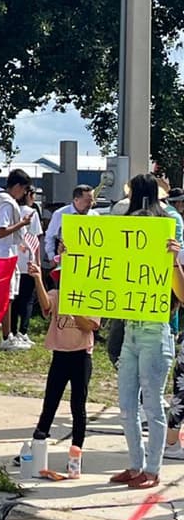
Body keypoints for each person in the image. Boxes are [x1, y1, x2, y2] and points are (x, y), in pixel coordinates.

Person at [108, 174, 181, 490]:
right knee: (126, 405)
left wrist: (174, 259)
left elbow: (182, 293)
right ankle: (135, 464)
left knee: (152, 405)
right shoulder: (127, 228)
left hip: (155, 331)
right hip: (131, 329)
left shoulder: (171, 228)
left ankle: (152, 469)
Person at [25, 253, 99, 479]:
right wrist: (38, 278)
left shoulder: (91, 297)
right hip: (60, 355)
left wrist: (74, 307)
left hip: (81, 356)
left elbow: (90, 326)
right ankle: (38, 443)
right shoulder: (57, 295)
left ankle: (76, 452)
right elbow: (46, 306)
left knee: (78, 404)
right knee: (50, 401)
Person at [0, 169, 33, 350]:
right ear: (17, 187)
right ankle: (7, 337)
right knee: (5, 298)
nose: (24, 194)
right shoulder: (7, 204)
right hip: (2, 254)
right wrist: (22, 223)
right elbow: (1, 231)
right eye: (24, 190)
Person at [10, 186, 44, 346]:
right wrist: (38, 261)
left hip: (14, 259)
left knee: (14, 298)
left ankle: (11, 330)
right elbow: (36, 238)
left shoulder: (13, 209)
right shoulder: (32, 213)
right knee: (28, 300)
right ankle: (23, 331)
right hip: (28, 260)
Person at [43, 184, 94, 263]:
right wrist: (51, 257)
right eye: (87, 201)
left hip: (88, 260)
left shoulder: (94, 215)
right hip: (65, 259)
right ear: (76, 200)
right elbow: (50, 236)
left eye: (92, 200)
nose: (91, 204)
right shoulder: (60, 214)